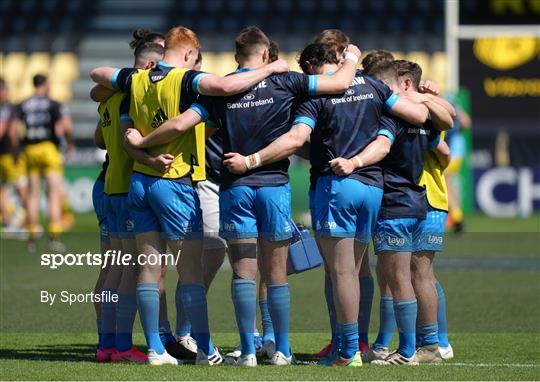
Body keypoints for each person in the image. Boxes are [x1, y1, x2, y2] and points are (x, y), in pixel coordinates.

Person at [125, 26, 362, 367]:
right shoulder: (288, 81)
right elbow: (339, 84)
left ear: (237, 57)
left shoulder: (220, 92)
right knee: (276, 272)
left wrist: (141, 144)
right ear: (266, 55)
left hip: (235, 188)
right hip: (274, 186)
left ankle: (248, 351)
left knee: (243, 272)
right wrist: (351, 57)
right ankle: (281, 350)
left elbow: (181, 124)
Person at [90, 25, 290, 366]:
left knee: (147, 270)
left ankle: (153, 348)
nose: (196, 67)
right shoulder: (184, 81)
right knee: (191, 274)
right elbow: (224, 87)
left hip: (140, 181)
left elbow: (107, 94)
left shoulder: (134, 83)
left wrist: (146, 153)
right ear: (187, 55)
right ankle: (206, 349)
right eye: (195, 61)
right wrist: (271, 67)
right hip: (175, 183)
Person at [11, 74, 74, 251]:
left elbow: (13, 130)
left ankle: (31, 237)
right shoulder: (53, 104)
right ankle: (54, 237)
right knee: (53, 193)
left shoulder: (23, 104)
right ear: (45, 85)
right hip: (48, 148)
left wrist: (17, 150)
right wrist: (70, 145)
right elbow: (66, 126)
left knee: (33, 194)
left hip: (30, 150)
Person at [0, 78, 27, 233]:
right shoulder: (7, 108)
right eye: (5, 90)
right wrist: (16, 150)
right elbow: (7, 131)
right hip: (9, 155)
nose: (7, 93)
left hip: (3, 155)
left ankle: (8, 224)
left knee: (3, 189)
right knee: (22, 189)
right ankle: (19, 223)